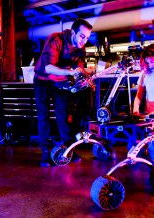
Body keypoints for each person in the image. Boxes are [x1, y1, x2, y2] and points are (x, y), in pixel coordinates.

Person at [33, 18, 93, 167]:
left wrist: (84, 77)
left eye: (87, 37)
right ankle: (45, 153)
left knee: (63, 115)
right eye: (82, 36)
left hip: (60, 82)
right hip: (43, 81)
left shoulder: (80, 48)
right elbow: (48, 68)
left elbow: (77, 70)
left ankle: (68, 151)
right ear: (73, 32)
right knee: (44, 116)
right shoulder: (55, 39)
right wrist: (70, 72)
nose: (84, 41)